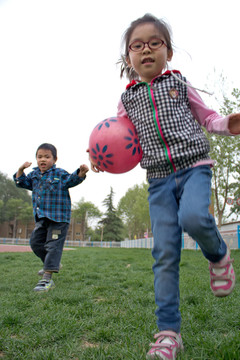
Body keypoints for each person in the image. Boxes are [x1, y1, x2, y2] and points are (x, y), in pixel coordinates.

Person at [89, 14, 240, 360]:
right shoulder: (126, 101)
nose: (146, 50)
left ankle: (218, 255)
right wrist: (101, 157)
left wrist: (228, 124)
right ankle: (168, 333)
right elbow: (119, 139)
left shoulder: (180, 85)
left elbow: (208, 117)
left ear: (168, 52)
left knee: (194, 219)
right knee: (165, 253)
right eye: (137, 45)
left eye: (154, 43)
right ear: (128, 58)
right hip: (157, 181)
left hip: (194, 169)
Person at [14, 143, 89, 292]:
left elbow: (72, 180)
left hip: (59, 219)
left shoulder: (59, 174)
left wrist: (81, 172)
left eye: (47, 157)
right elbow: (21, 182)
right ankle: (52, 263)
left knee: (53, 246)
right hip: (42, 218)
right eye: (39, 156)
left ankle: (47, 279)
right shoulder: (34, 175)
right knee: (35, 243)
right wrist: (21, 169)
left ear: (54, 159)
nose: (43, 159)